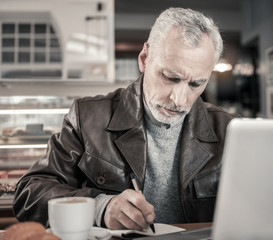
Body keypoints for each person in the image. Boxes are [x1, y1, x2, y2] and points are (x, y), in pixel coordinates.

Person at [13, 7, 239, 231]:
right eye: (170, 77)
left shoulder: (230, 129)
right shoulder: (87, 116)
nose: (179, 100)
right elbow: (29, 193)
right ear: (144, 58)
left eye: (196, 84)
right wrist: (100, 207)